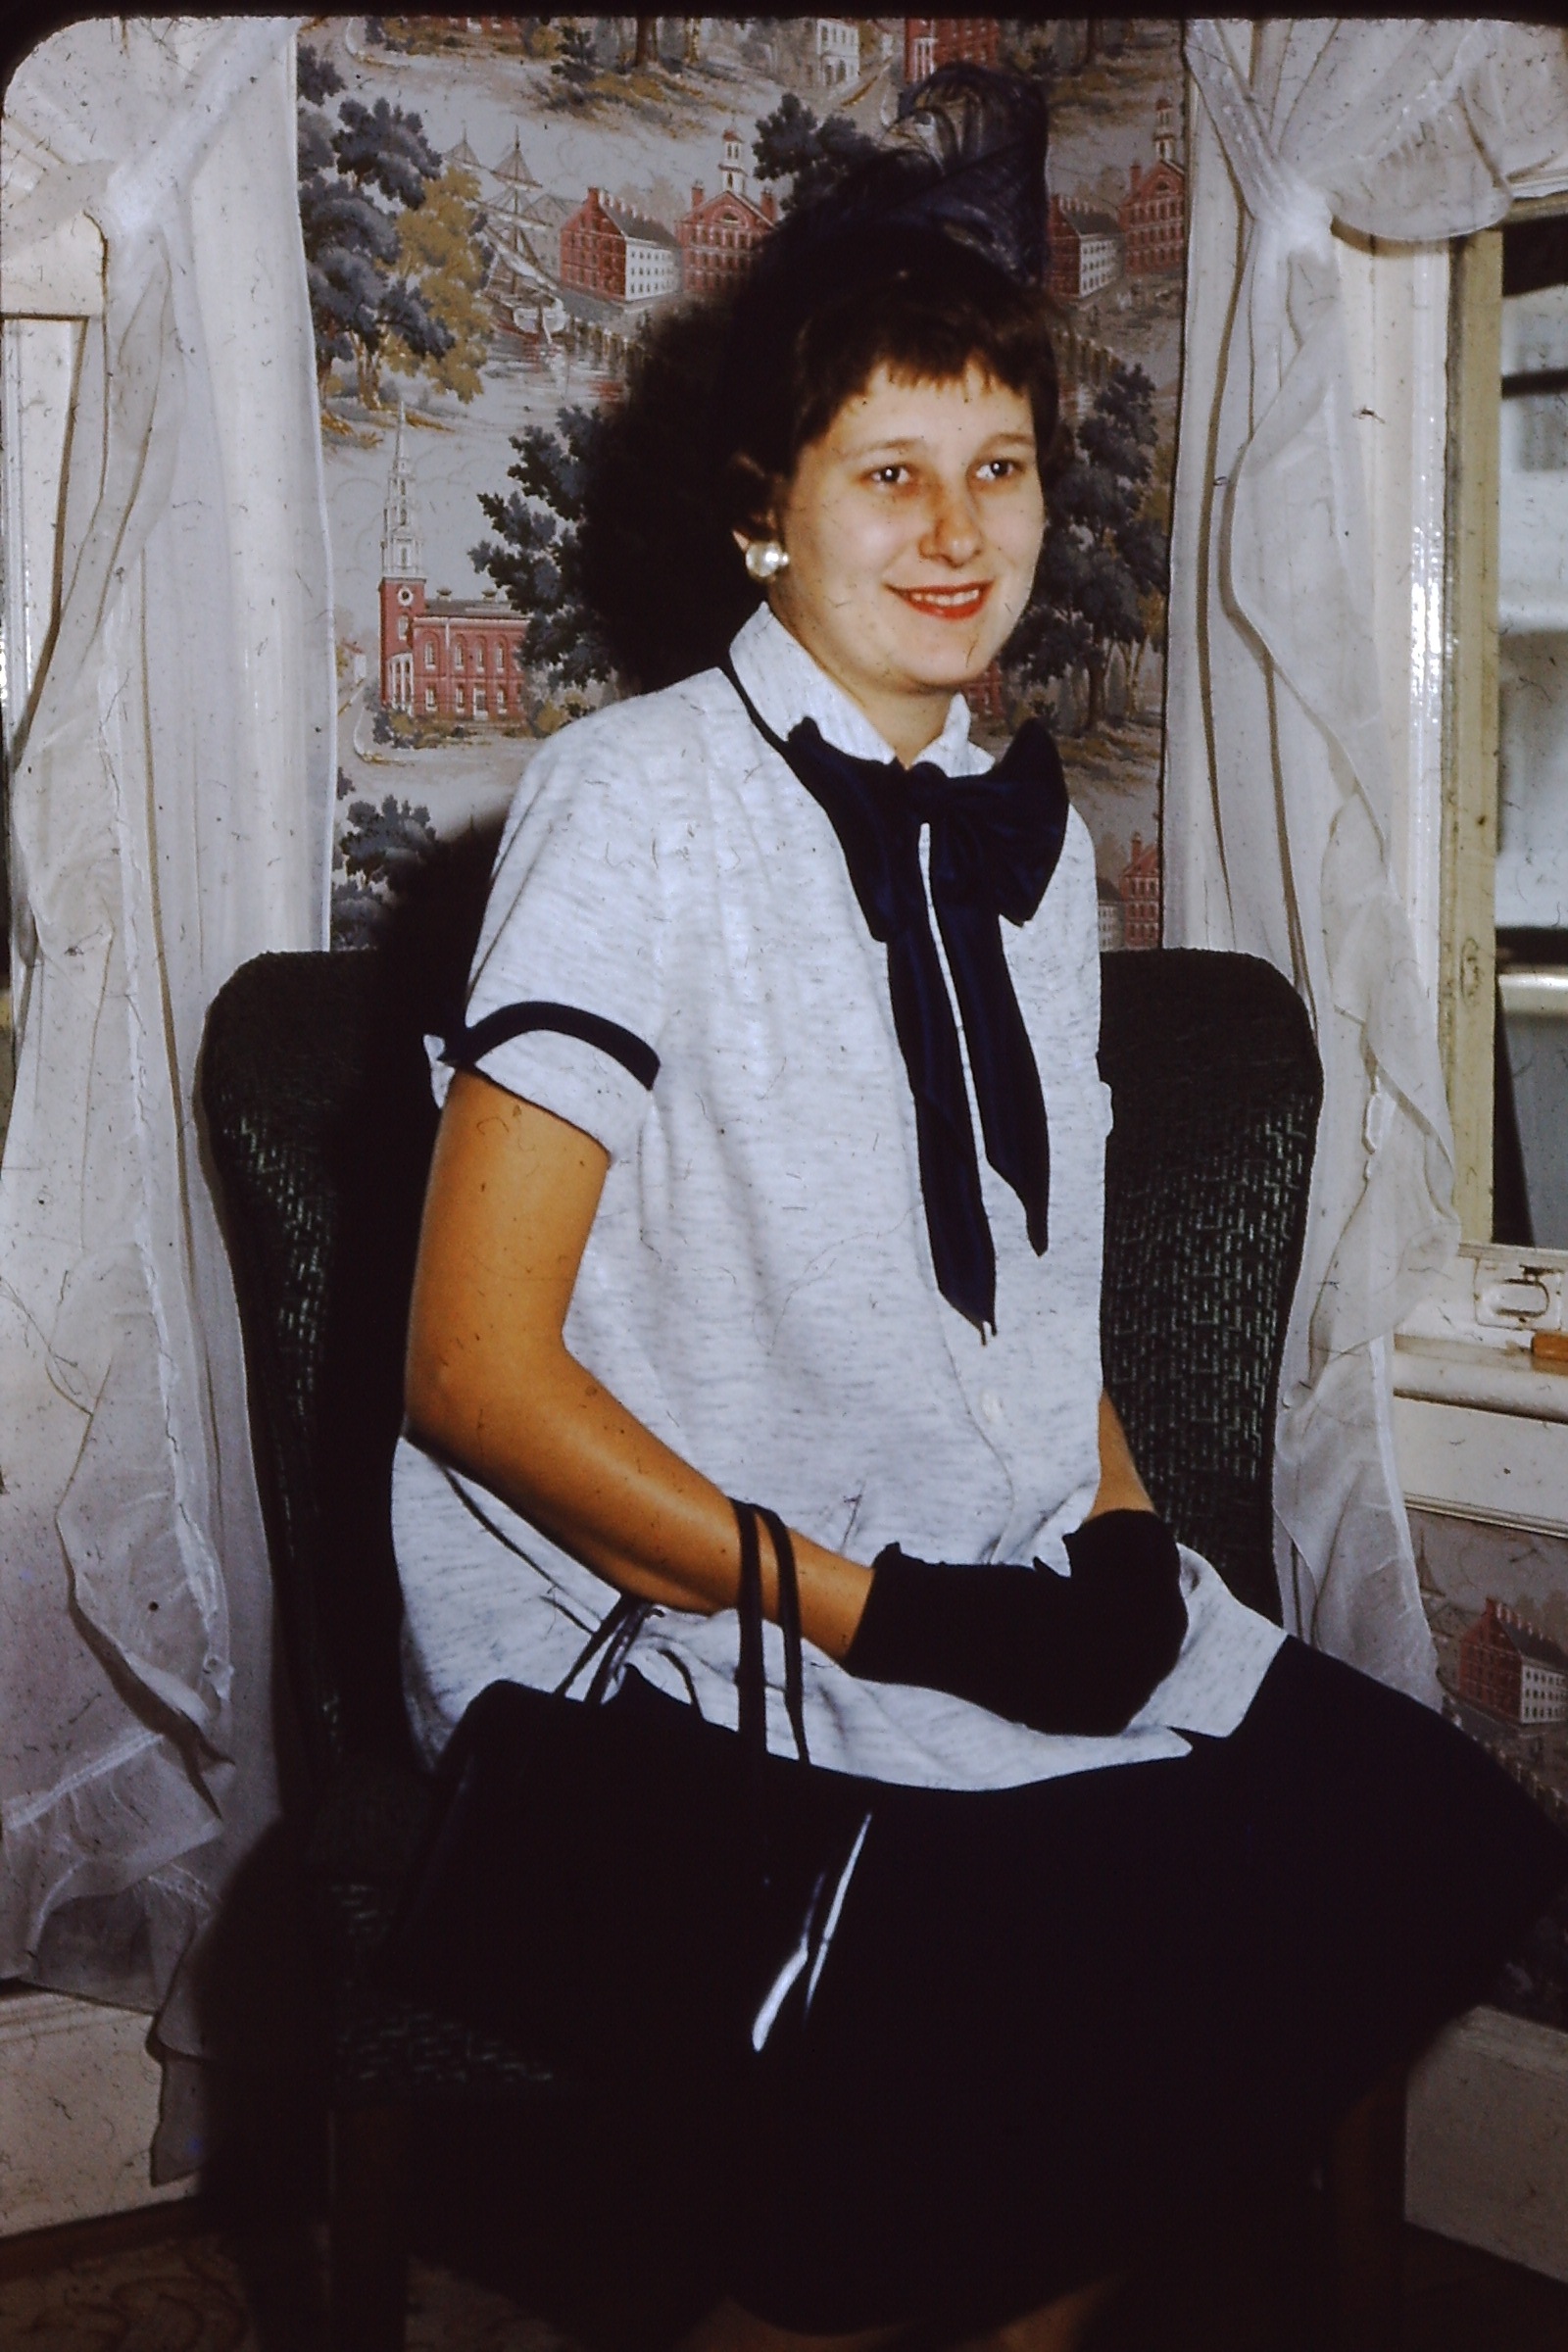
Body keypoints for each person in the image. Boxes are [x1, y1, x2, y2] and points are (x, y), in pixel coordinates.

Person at [393, 71, 1567, 2352]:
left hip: (993, 1576)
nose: (956, 532)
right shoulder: (630, 804)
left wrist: (1114, 1537)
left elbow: (1024, 1305)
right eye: (887, 473)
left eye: (998, 467)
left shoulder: (1020, 843)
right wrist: (893, 1620)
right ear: (765, 510)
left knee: (1424, 1845)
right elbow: (468, 1373)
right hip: (679, 1631)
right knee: (1011, 2036)